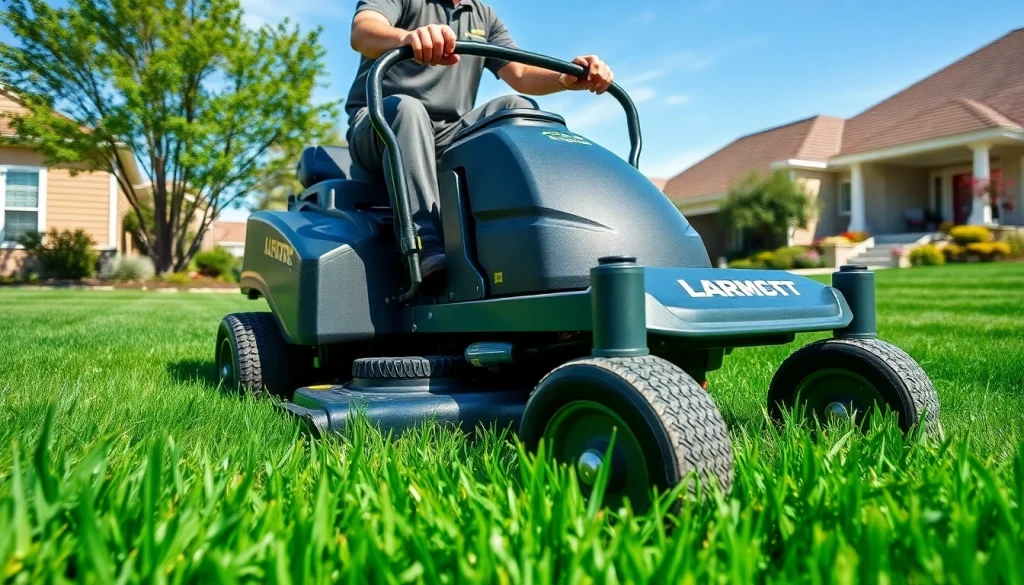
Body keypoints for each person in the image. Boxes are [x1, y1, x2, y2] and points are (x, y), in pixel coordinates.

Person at [346, 0, 614, 279]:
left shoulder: (483, 15)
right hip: (381, 123)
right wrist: (407, 38)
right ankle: (423, 244)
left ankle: (526, 235)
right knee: (407, 109)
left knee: (515, 106)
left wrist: (565, 77)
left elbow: (520, 74)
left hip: (447, 133)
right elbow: (362, 32)